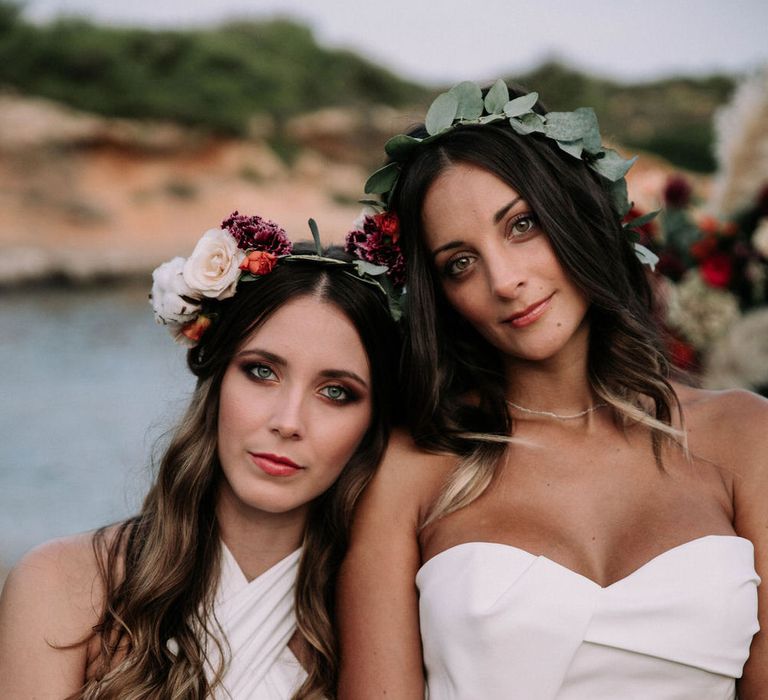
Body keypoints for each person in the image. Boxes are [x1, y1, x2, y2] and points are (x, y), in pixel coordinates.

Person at [338, 80, 767, 698]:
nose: (505, 280)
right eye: (459, 263)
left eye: (522, 225)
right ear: (442, 299)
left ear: (580, 215)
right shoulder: (413, 471)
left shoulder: (747, 439)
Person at [0, 212, 399, 699]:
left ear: (373, 421)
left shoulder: (380, 632)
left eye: (336, 392)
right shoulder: (63, 585)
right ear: (216, 381)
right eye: (261, 372)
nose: (289, 421)